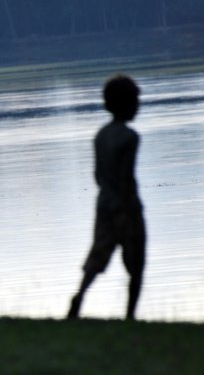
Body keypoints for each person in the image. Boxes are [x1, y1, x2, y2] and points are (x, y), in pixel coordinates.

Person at [67, 75, 146, 321]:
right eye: (135, 100)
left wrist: (109, 196)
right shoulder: (130, 137)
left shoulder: (100, 135)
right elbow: (126, 177)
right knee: (136, 261)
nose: (138, 105)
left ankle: (79, 295)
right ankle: (130, 315)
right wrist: (132, 208)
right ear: (127, 104)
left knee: (98, 254)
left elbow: (98, 175)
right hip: (125, 207)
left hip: (104, 204)